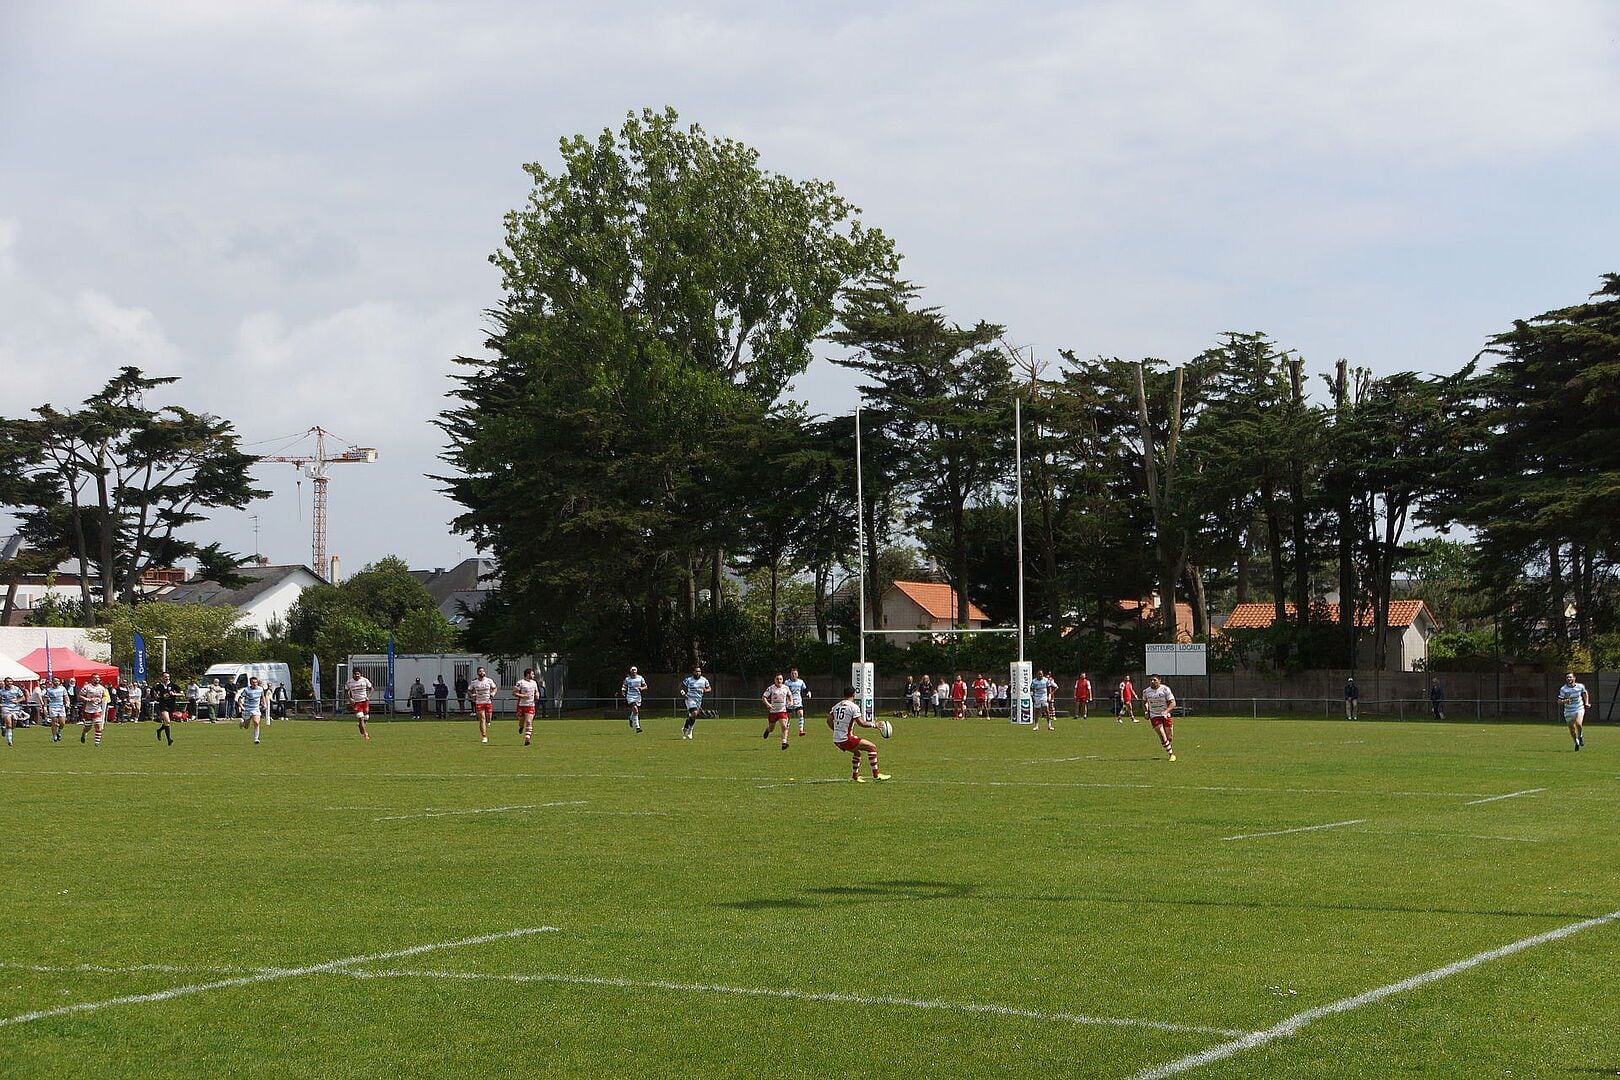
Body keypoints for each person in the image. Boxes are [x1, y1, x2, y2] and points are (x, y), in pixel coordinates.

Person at [827, 685, 890, 782]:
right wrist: (875, 725)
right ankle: (876, 775)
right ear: (854, 695)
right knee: (872, 747)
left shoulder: (836, 706)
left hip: (836, 739)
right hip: (846, 739)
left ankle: (855, 776)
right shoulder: (853, 707)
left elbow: (829, 720)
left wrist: (836, 730)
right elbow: (862, 723)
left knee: (857, 752)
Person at [1142, 674, 1176, 760]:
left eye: (1154, 680)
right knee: (1162, 734)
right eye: (1151, 680)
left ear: (1159, 681)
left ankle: (1165, 742)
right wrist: (1146, 712)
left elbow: (1173, 703)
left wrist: (1166, 711)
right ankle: (1171, 754)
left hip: (1165, 716)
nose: (1152, 682)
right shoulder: (1146, 691)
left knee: (1169, 737)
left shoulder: (1165, 689)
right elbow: (1144, 702)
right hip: (1154, 716)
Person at [760, 673, 793, 750]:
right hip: (773, 712)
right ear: (774, 680)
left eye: (780, 679)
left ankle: (784, 742)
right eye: (777, 679)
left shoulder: (786, 688)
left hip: (782, 711)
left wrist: (791, 702)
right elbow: (764, 697)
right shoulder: (771, 688)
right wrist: (768, 704)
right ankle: (767, 730)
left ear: (783, 680)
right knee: (772, 729)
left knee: (784, 726)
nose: (779, 680)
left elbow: (790, 695)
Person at [1557, 671, 1589, 751]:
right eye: (1567, 677)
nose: (1569, 679)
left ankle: (1580, 735)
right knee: (1571, 729)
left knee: (1578, 723)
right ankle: (1576, 742)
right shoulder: (1564, 689)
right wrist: (1565, 701)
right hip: (1568, 711)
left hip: (1579, 708)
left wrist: (1587, 702)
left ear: (1574, 678)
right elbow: (1559, 701)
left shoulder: (1580, 686)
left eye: (1570, 677)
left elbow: (1585, 693)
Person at [468, 666, 499, 743]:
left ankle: (489, 721)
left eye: (483, 671)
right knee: (482, 719)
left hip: (488, 701)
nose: (482, 673)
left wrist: (493, 693)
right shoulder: (474, 682)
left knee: (488, 718)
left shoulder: (489, 680)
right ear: (477, 673)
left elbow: (494, 688)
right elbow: (469, 690)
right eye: (480, 671)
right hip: (479, 702)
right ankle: (484, 736)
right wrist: (472, 695)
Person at [680, 664, 710, 740]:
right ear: (693, 672)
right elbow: (680, 686)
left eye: (699, 671)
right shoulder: (689, 680)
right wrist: (683, 693)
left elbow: (709, 688)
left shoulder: (704, 680)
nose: (698, 673)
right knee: (694, 713)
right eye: (696, 671)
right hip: (690, 699)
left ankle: (686, 728)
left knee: (693, 716)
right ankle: (690, 730)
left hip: (698, 700)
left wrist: (705, 690)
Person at [78, 674, 110, 746]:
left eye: (98, 678)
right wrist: (88, 699)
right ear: (92, 679)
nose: (97, 679)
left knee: (98, 725)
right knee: (88, 726)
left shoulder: (102, 688)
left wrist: (101, 700)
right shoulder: (87, 687)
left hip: (97, 709)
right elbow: (80, 696)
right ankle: (84, 733)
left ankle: (97, 743)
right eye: (95, 678)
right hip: (88, 710)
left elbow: (105, 696)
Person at [512, 668, 541, 746]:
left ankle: (527, 739)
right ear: (528, 674)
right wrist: (523, 696)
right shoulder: (520, 683)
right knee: (522, 722)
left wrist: (537, 695)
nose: (534, 675)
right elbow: (514, 693)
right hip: (521, 705)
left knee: (528, 721)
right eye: (532, 674)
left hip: (530, 705)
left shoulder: (534, 683)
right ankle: (521, 727)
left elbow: (537, 691)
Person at [345, 670, 373, 741]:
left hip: (364, 701)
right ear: (353, 674)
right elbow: (346, 691)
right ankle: (365, 734)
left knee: (366, 717)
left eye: (358, 674)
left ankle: (361, 726)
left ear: (360, 674)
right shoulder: (349, 682)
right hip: (356, 702)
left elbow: (372, 689)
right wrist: (350, 698)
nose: (357, 675)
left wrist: (368, 697)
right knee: (360, 717)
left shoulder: (365, 680)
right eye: (356, 674)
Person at [238, 676, 267, 744]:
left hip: (255, 709)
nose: (255, 684)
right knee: (246, 726)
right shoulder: (246, 690)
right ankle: (242, 723)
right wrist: (241, 706)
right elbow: (240, 699)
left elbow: (262, 697)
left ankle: (256, 739)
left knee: (256, 723)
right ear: (250, 683)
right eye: (253, 682)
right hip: (247, 709)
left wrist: (264, 704)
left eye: (256, 682)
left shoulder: (260, 689)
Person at [153, 673, 180, 745]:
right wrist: (156, 696)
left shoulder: (173, 685)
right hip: (163, 705)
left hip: (171, 705)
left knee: (166, 722)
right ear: (162, 678)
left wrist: (175, 694)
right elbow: (154, 692)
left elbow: (182, 693)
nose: (167, 678)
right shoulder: (159, 686)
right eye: (165, 677)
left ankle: (159, 730)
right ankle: (169, 740)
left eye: (168, 676)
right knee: (167, 721)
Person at [785, 667, 811, 736]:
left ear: (797, 674)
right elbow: (783, 691)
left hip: (798, 701)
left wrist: (808, 692)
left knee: (801, 714)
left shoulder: (800, 682)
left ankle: (801, 730)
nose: (793, 675)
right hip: (789, 702)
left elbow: (805, 689)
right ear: (790, 674)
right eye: (792, 673)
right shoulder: (787, 682)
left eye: (795, 673)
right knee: (788, 717)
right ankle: (786, 730)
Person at [41, 677, 68, 741]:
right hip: (52, 706)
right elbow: (45, 698)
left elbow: (66, 697)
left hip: (61, 706)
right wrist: (45, 707)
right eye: (55, 681)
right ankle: (54, 735)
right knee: (54, 722)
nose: (57, 682)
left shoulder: (62, 688)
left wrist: (67, 703)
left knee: (62, 723)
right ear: (52, 682)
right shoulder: (49, 690)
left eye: (58, 681)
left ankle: (59, 732)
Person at [621, 666, 646, 733]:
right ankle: (638, 727)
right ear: (630, 671)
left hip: (638, 696)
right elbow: (624, 686)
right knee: (635, 709)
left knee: (635, 711)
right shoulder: (627, 679)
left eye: (635, 671)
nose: (634, 672)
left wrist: (642, 688)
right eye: (632, 671)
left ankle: (631, 718)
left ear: (636, 671)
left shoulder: (640, 678)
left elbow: (645, 686)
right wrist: (623, 692)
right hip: (630, 696)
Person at [0, 677, 23, 746]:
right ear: (5, 682)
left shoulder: (16, 689)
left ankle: (4, 729)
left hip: (15, 708)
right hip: (6, 707)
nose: (9, 683)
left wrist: (17, 701)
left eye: (10, 681)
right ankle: (9, 740)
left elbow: (23, 697)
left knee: (13, 725)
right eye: (8, 681)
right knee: (9, 723)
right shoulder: (1, 691)